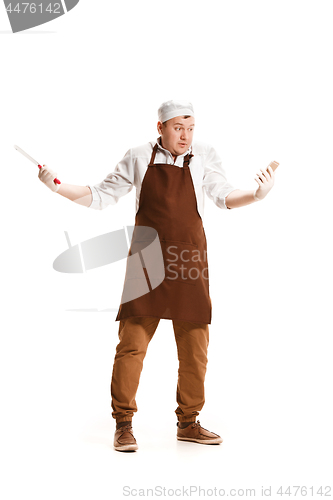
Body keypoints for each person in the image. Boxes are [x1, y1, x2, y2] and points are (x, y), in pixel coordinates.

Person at [38, 100, 276, 452]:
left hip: (190, 259)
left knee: (195, 350)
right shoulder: (137, 156)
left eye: (191, 128)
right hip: (147, 260)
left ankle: (189, 423)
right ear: (160, 127)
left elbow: (224, 195)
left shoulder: (205, 154)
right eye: (179, 127)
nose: (186, 135)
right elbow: (101, 195)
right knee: (131, 345)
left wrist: (257, 195)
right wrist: (58, 186)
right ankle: (123, 424)